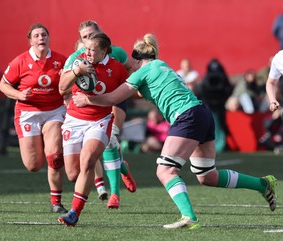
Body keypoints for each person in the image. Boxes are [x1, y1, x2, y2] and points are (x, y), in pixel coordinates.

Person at [72, 33, 277, 229]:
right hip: (201, 114)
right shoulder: (161, 66)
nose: (128, 68)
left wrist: (87, 99)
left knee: (165, 170)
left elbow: (112, 98)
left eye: (130, 64)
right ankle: (262, 184)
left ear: (136, 60)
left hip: (186, 115)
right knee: (207, 176)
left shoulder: (142, 72)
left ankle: (189, 217)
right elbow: (134, 94)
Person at [64, 20, 137, 208]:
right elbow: (63, 87)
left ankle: (114, 194)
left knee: (110, 137)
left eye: (91, 35)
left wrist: (123, 88)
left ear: (100, 33)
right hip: (84, 108)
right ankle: (121, 166)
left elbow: (131, 69)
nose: (88, 39)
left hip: (113, 97)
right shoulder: (76, 57)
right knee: (75, 170)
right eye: (84, 37)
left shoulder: (117, 53)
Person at [0, 24, 68, 213]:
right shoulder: (20, 61)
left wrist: (67, 81)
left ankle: (56, 202)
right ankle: (43, 152)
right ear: (31, 41)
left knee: (54, 158)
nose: (41, 38)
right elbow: (3, 85)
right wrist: (19, 95)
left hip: (54, 111)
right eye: (36, 35)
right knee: (33, 165)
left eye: (44, 34)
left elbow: (71, 85)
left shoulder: (61, 60)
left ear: (49, 38)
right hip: (28, 113)